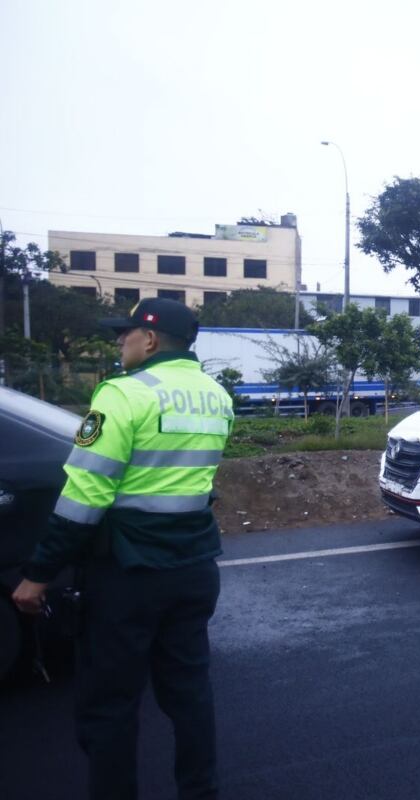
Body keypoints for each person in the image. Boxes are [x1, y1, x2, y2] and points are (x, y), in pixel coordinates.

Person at [11, 298, 234, 799]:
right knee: (190, 694)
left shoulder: (122, 394)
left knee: (110, 705)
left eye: (125, 334)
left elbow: (85, 497)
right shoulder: (218, 396)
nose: (119, 342)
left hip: (127, 577)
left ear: (150, 340)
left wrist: (38, 573)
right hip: (195, 567)